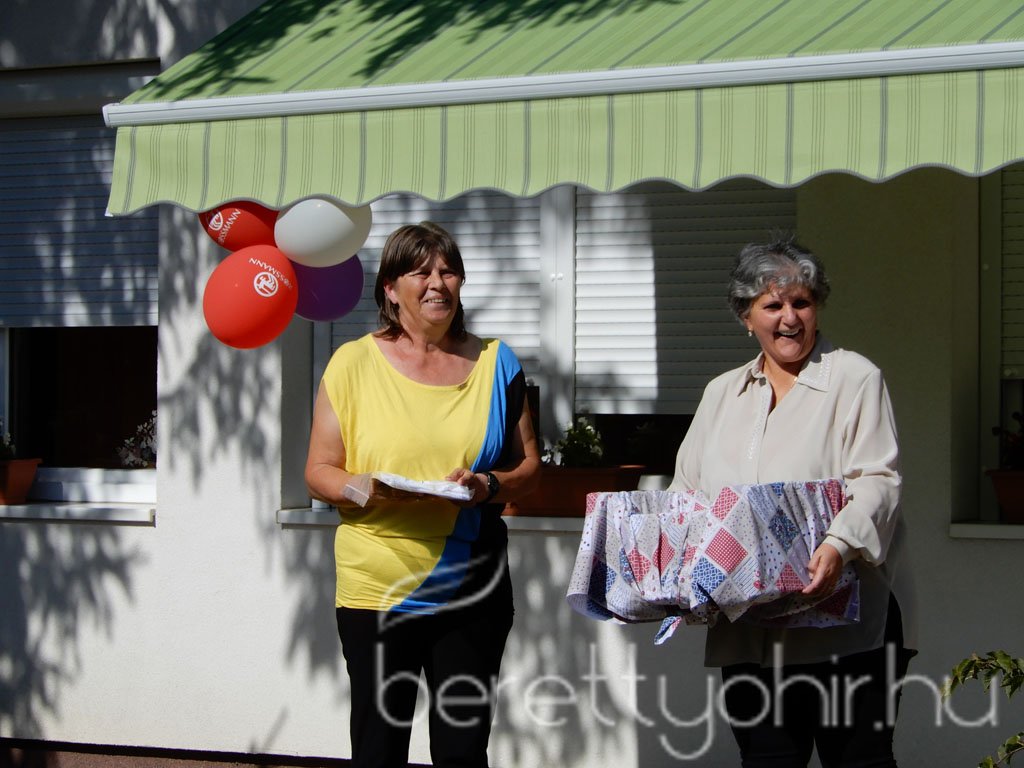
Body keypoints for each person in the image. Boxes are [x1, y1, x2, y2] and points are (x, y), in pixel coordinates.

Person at [668, 236, 916, 767]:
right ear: (745, 316)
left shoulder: (854, 378)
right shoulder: (721, 394)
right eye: (772, 305)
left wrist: (838, 544)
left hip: (846, 630)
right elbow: (685, 494)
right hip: (750, 632)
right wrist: (667, 565)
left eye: (801, 302)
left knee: (860, 762)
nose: (790, 318)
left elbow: (878, 480)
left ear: (817, 306)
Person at [305, 221, 541, 768]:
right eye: (422, 271)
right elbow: (317, 468)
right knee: (378, 748)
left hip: (473, 588)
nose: (439, 283)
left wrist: (489, 486)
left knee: (462, 751)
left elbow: (530, 466)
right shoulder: (352, 363)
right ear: (390, 288)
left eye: (449, 271)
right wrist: (358, 486)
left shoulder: (497, 363)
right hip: (379, 589)